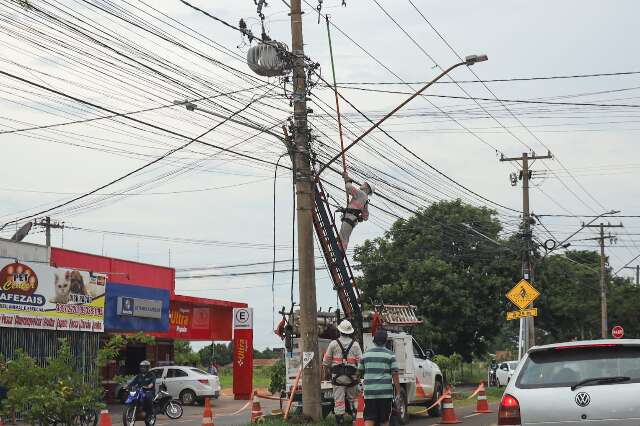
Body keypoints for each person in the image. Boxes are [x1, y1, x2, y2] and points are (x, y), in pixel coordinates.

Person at [322, 319, 363, 425]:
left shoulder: (333, 344)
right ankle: (355, 419)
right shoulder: (355, 345)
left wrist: (327, 375)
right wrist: (357, 377)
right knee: (353, 399)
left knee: (339, 401)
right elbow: (361, 364)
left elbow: (326, 362)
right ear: (350, 332)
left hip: (337, 378)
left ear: (340, 331)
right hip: (352, 378)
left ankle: (340, 421)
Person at [357, 329, 401, 426]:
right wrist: (398, 392)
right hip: (385, 393)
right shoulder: (390, 355)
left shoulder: (365, 355)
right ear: (386, 341)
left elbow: (359, 372)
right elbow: (395, 374)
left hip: (369, 392)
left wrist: (359, 386)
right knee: (384, 420)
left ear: (374, 341)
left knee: (369, 418)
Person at [338, 173, 374, 251]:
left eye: (364, 184)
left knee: (343, 237)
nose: (362, 184)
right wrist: (357, 215)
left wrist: (347, 180)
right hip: (351, 219)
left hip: (349, 219)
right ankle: (340, 253)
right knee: (343, 237)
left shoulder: (361, 193)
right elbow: (365, 216)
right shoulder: (365, 200)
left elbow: (348, 187)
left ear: (367, 189)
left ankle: (340, 255)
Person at [130, 360, 155, 424]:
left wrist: (148, 386)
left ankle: (150, 413)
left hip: (149, 391)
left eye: (144, 367)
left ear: (147, 368)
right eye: (141, 367)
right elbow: (133, 382)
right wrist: (127, 386)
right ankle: (134, 410)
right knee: (132, 396)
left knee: (147, 397)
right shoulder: (139, 375)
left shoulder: (151, 375)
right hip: (140, 391)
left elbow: (152, 383)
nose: (142, 368)